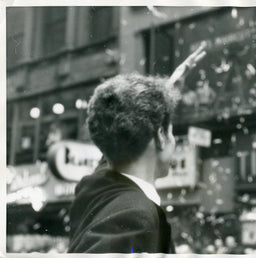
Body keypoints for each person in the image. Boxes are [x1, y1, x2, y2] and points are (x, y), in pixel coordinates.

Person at [68, 43, 207, 253]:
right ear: (160, 135)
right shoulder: (136, 216)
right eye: (170, 131)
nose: (174, 140)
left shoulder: (96, 192)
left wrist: (166, 92)